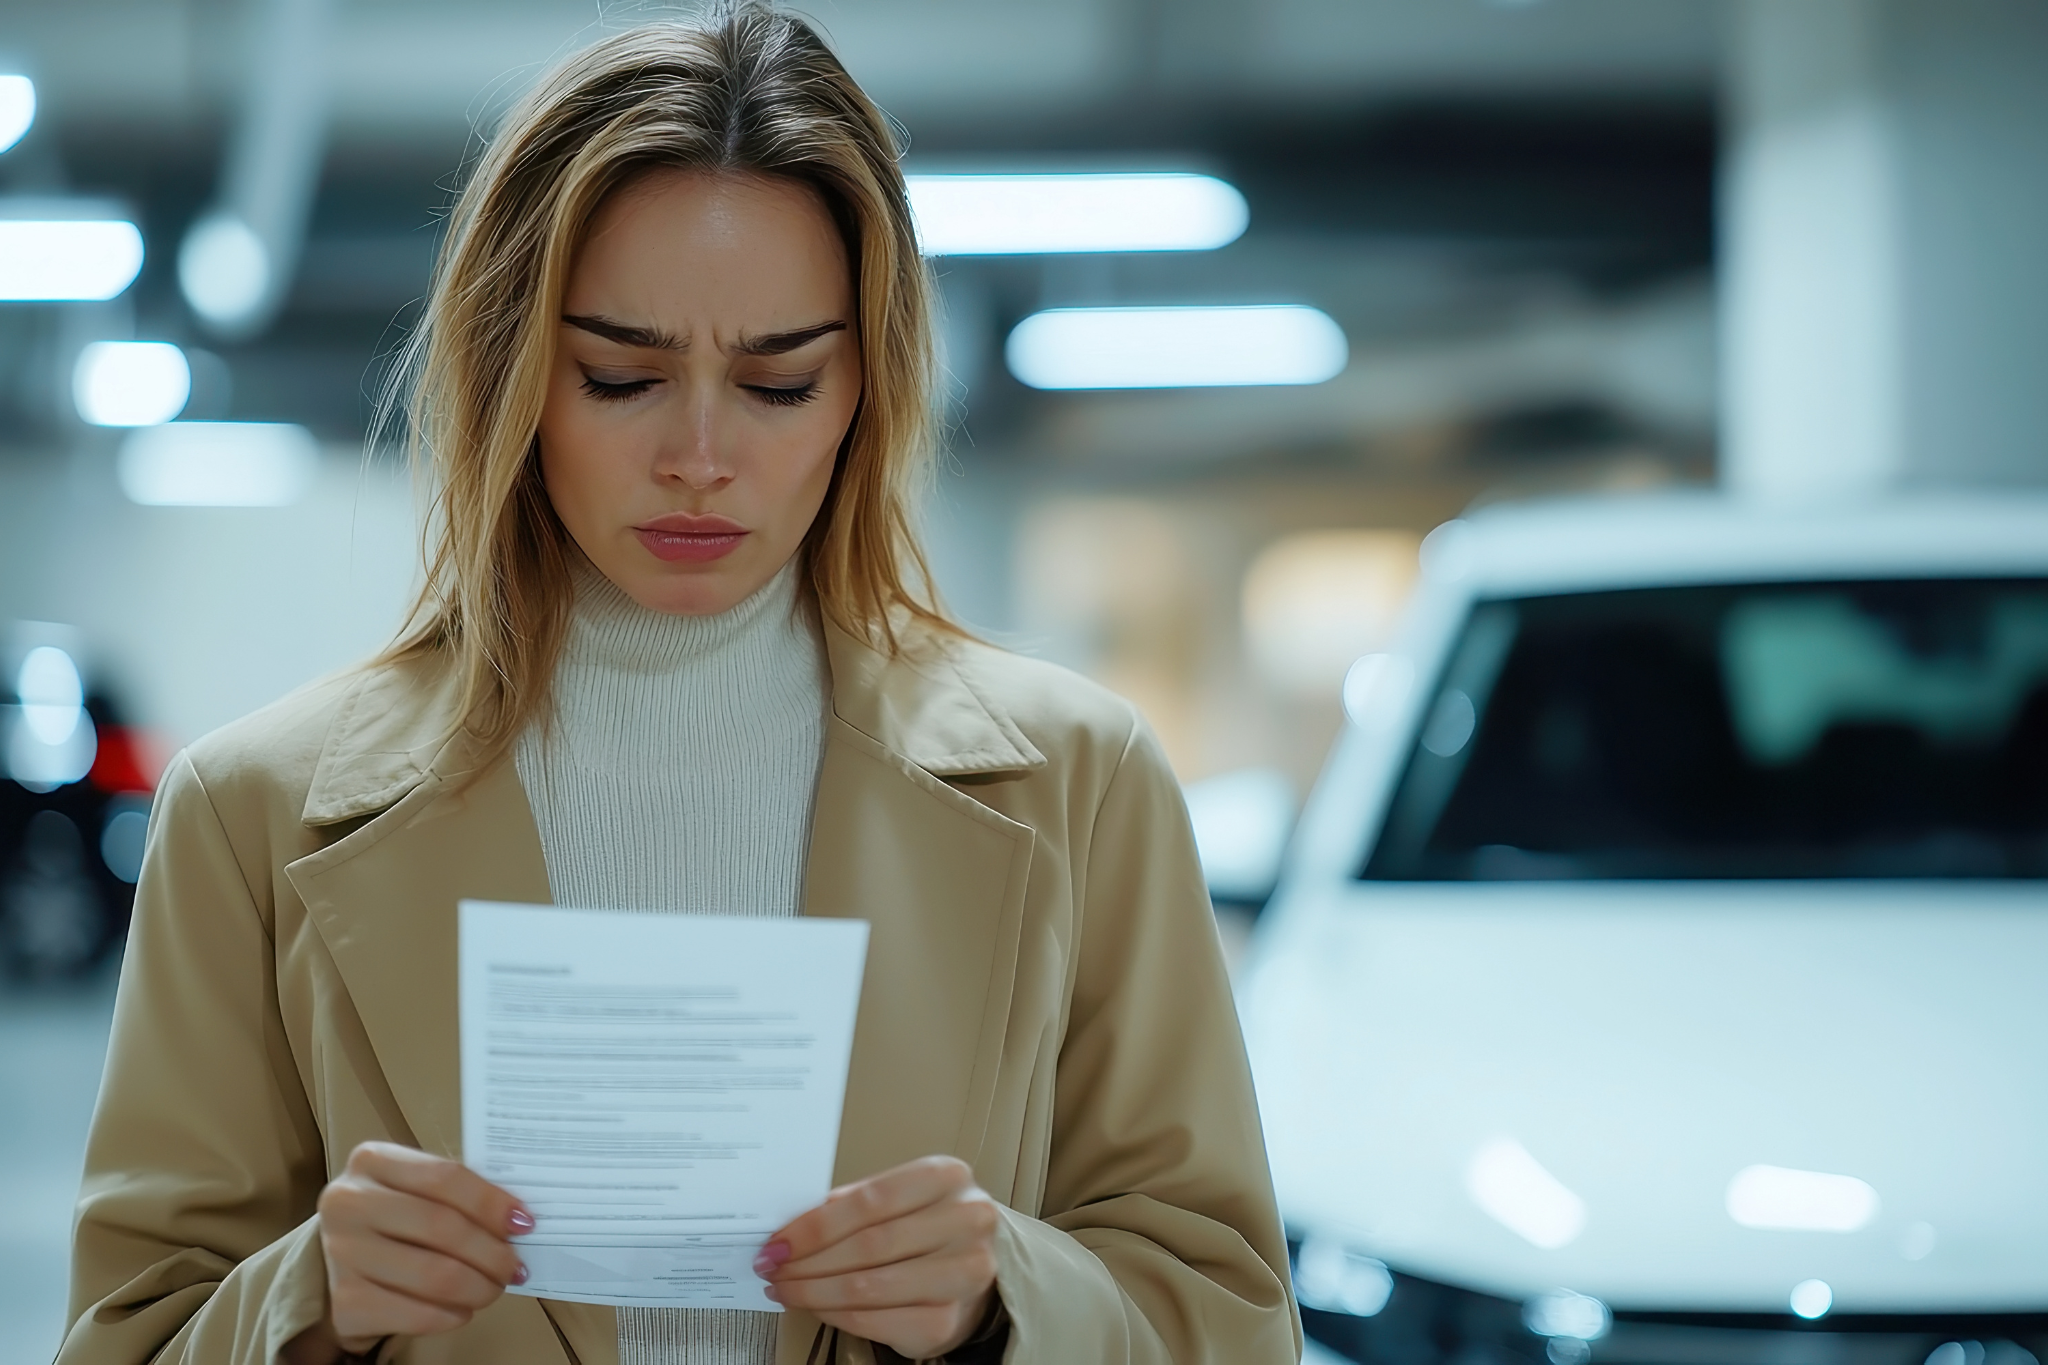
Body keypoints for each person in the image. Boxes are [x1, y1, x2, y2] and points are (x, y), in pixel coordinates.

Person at [60, 7, 1301, 1364]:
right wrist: (304, 1306)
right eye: (620, 375)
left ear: (863, 395)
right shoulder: (249, 815)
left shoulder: (1082, 786)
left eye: (779, 383)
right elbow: (128, 1337)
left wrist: (1013, 1298)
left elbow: (1230, 1321)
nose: (699, 455)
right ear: (512, 376)